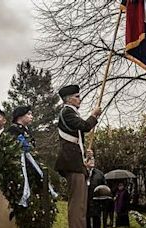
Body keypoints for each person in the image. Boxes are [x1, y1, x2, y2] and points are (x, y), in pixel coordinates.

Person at [54, 84, 102, 228]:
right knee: (77, 205)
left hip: (76, 162)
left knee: (81, 204)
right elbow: (86, 126)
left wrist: (85, 154)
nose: (80, 99)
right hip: (71, 163)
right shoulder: (67, 112)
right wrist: (94, 115)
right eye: (77, 96)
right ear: (68, 100)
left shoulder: (71, 113)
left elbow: (77, 139)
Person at [86, 156, 106, 228]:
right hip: (85, 202)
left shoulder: (99, 174)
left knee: (97, 221)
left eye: (93, 159)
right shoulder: (82, 173)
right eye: (90, 159)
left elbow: (104, 187)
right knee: (86, 221)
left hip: (97, 203)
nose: (92, 161)